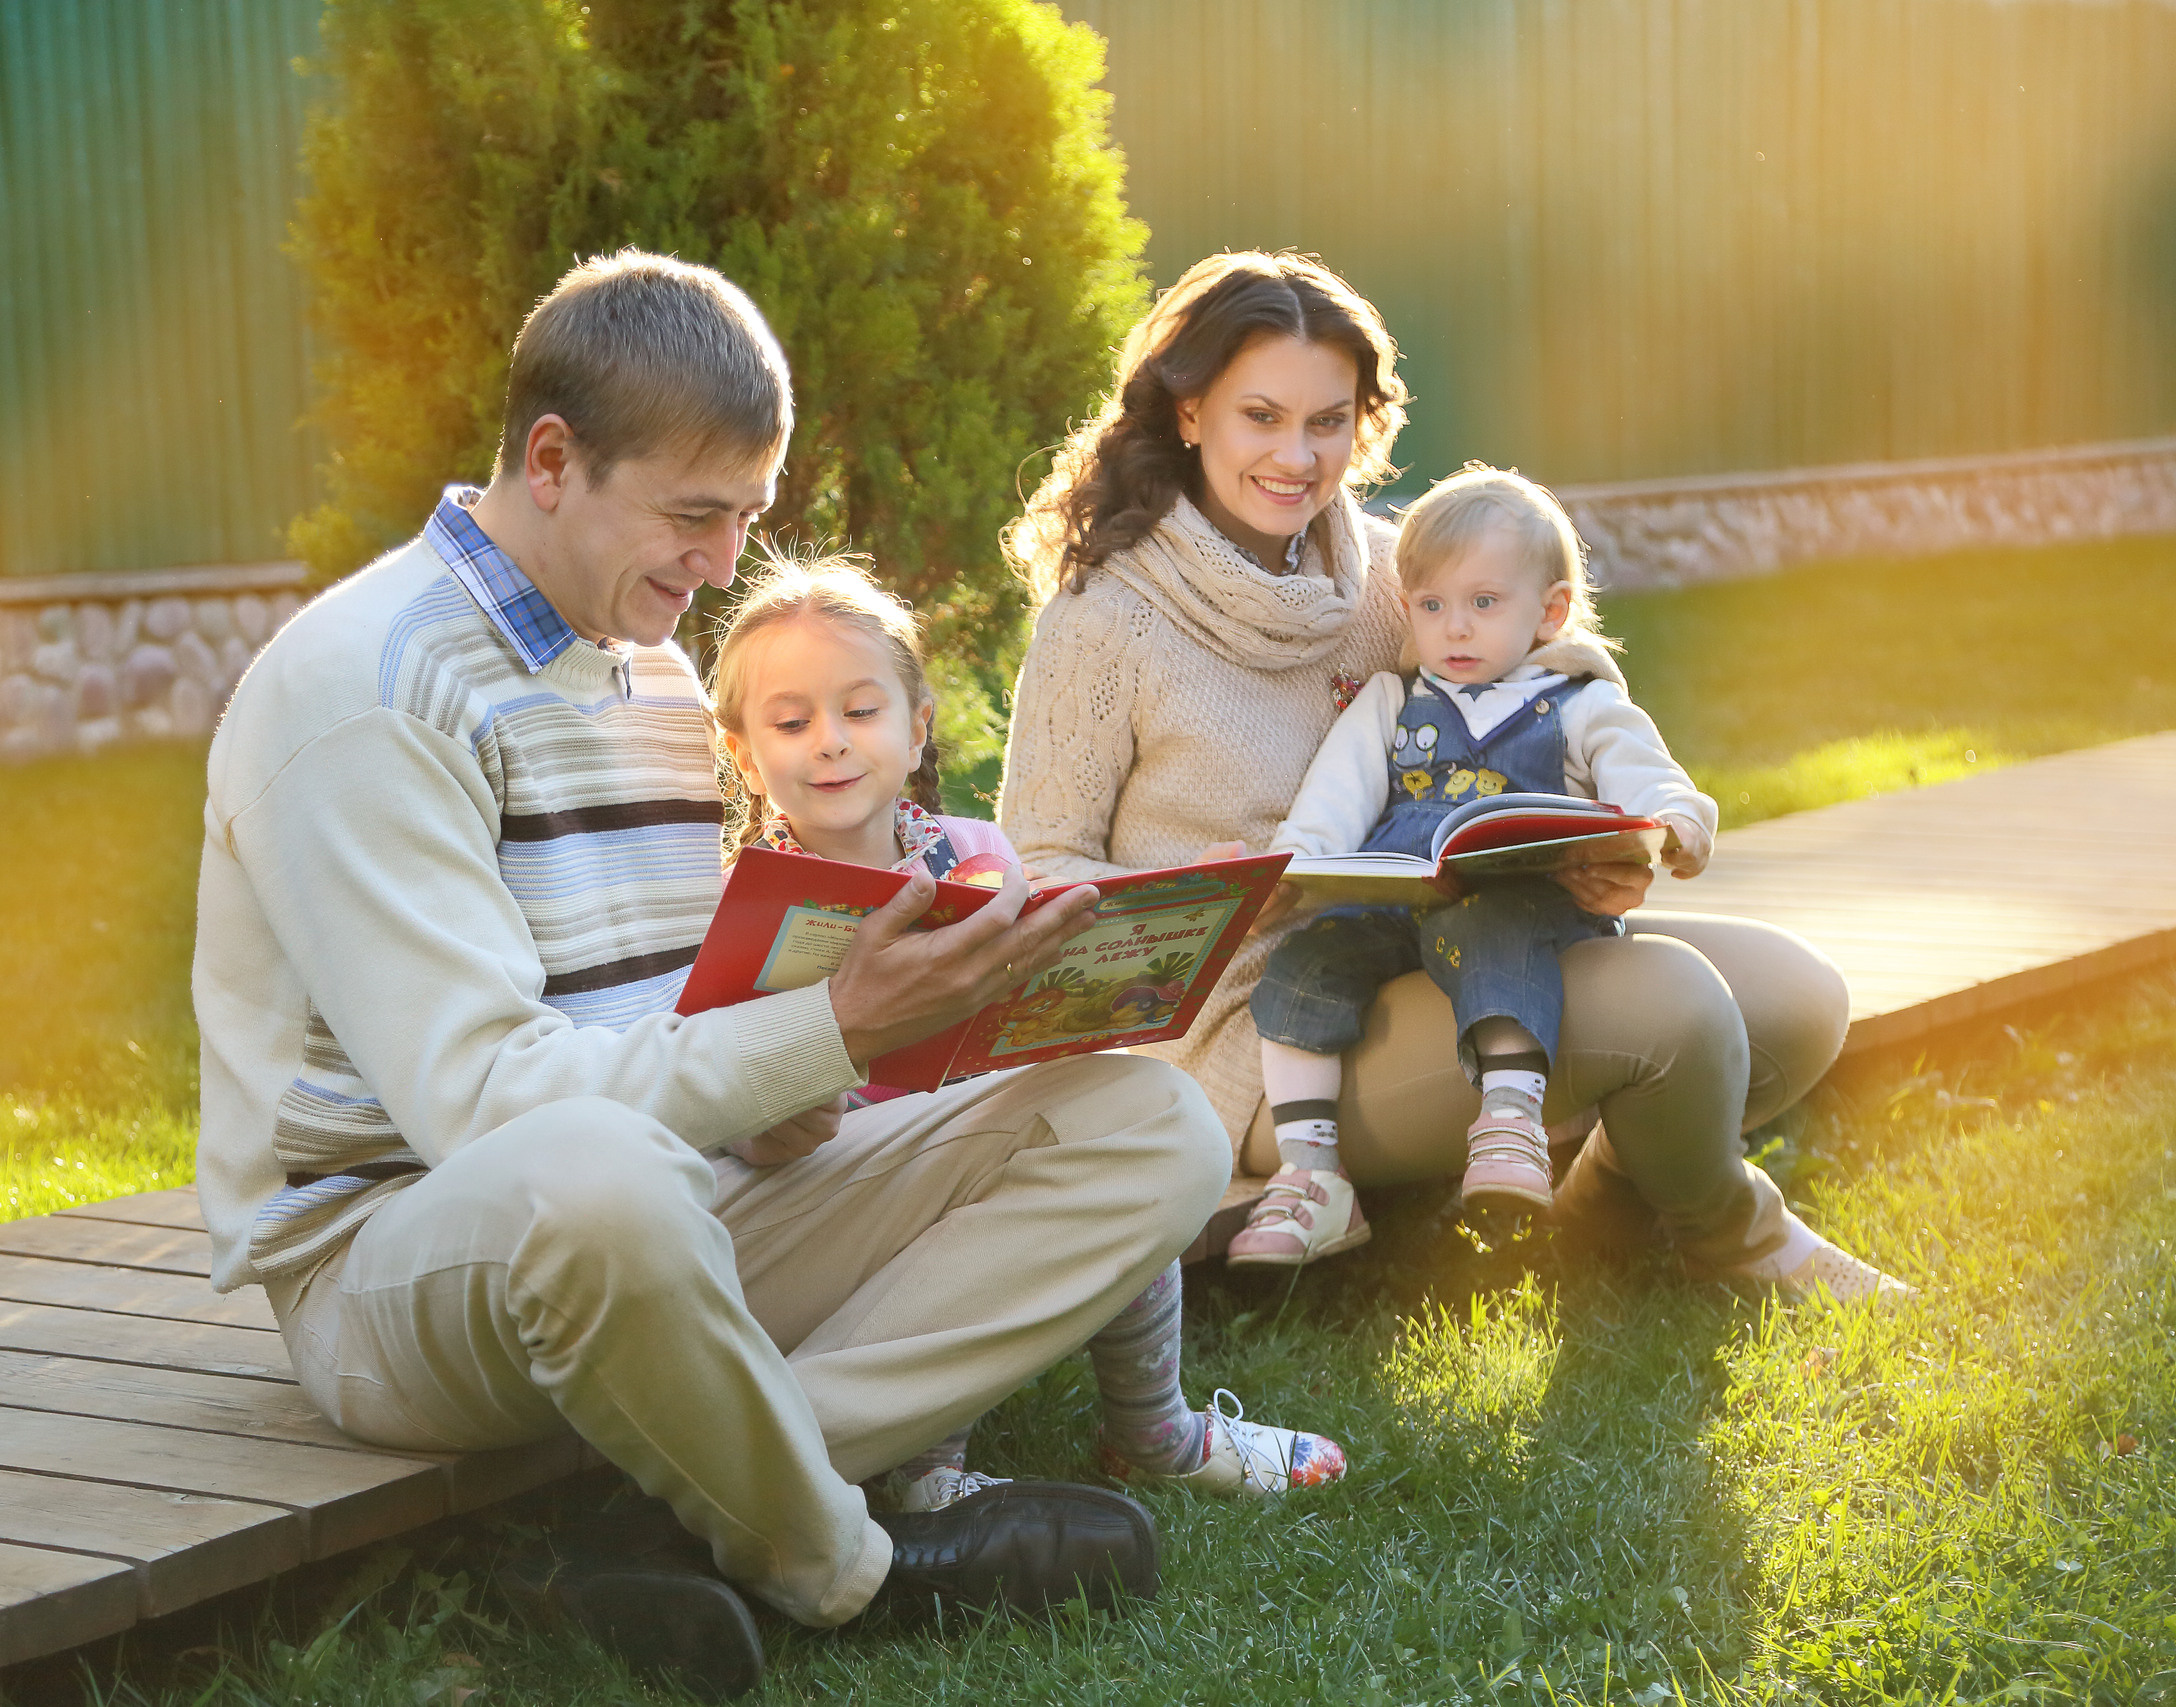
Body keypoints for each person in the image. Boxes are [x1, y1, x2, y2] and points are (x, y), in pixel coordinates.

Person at [192, 251, 1232, 1698]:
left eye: (747, 512)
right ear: (552, 459)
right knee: (596, 1173)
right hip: (396, 1263)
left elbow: (688, 1016)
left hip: (675, 1199)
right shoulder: (365, 689)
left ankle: (666, 1507)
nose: (726, 561)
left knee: (1147, 1121)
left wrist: (802, 1079)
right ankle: (848, 1562)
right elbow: (482, 1109)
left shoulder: (652, 668)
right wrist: (826, 1028)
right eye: (695, 512)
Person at [998, 249, 1910, 1305]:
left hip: (1445, 944)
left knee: (1794, 998)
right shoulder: (1101, 622)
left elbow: (1550, 681)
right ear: (1189, 412)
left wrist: (1595, 846)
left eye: (1328, 421)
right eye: (1261, 417)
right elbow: (1040, 875)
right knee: (1674, 1010)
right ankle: (1737, 1240)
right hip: (1255, 1028)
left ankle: (1598, 1217)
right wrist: (1203, 895)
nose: (1297, 456)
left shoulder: (1391, 574)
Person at [705, 549, 1347, 1500]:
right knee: (956, 1206)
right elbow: (727, 1096)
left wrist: (1161, 927)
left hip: (987, 1136)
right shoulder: (747, 906)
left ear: (919, 727)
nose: (831, 741)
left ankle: (1153, 1429)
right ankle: (923, 1463)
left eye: (862, 710)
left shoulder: (977, 855)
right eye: (792, 722)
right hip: (833, 1187)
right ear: (745, 755)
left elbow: (1050, 983)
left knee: (1124, 1138)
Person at [1233, 465, 1721, 1264]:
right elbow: (1332, 801)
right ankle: (1313, 1174)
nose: (1454, 629)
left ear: (1550, 611)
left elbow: (1649, 775)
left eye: (1483, 603)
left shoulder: (1580, 702)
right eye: (1433, 606)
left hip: (1522, 905)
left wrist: (1674, 824)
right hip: (1400, 897)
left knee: (1495, 935)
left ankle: (1509, 1121)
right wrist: (1293, 869)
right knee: (1304, 965)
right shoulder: (1392, 701)